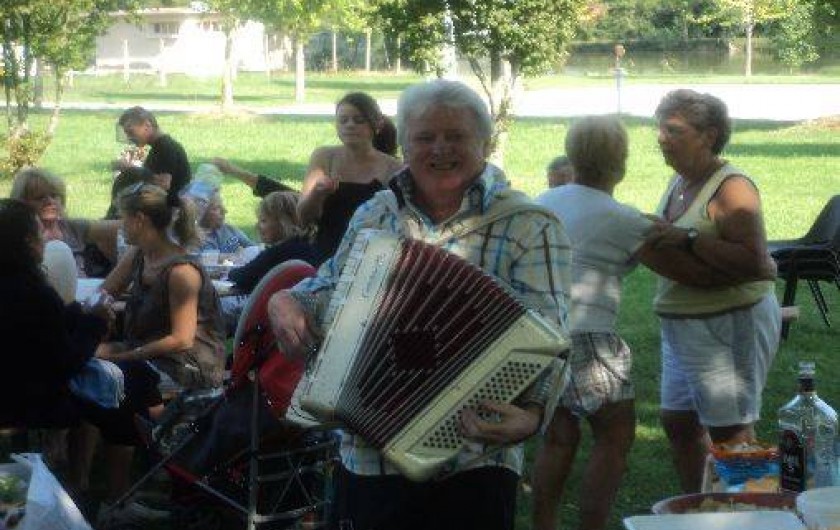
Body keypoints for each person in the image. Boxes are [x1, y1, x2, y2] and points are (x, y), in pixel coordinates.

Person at [267, 79, 571, 530]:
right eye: (425, 137)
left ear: (483, 142)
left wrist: (532, 415)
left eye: (456, 136)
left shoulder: (529, 226)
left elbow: (553, 339)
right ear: (404, 144)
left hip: (472, 459)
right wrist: (286, 301)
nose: (440, 149)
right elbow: (329, 289)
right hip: (367, 453)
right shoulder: (375, 214)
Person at [640, 89, 780, 493]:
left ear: (709, 135)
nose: (661, 137)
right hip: (682, 326)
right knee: (679, 422)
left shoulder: (732, 187)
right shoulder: (679, 180)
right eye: (659, 128)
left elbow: (755, 264)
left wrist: (683, 238)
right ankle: (700, 508)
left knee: (732, 433)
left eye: (673, 129)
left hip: (728, 325)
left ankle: (749, 514)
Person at [531, 117, 653, 530]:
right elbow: (655, 255)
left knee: (559, 435)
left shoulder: (543, 200)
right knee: (615, 434)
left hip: (541, 335)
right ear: (620, 162)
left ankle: (543, 521)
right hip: (592, 338)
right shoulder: (626, 219)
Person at [86, 183, 226, 513]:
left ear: (140, 220)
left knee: (119, 382)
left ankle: (121, 495)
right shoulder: (140, 255)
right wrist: (92, 315)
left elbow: (182, 338)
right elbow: (105, 292)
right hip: (149, 353)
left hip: (188, 364)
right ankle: (95, 477)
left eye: (123, 219)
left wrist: (120, 354)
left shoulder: (181, 272)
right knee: (89, 365)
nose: (120, 227)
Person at [215, 92, 403, 263]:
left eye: (358, 120)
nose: (350, 125)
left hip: (371, 258)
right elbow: (303, 218)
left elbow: (401, 223)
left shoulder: (393, 168)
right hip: (326, 253)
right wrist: (318, 194)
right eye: (343, 120)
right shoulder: (324, 157)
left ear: (377, 124)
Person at [0, 199, 109, 429]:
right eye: (41, 233)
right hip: (23, 403)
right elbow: (65, 362)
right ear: (29, 243)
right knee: (117, 394)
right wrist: (96, 323)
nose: (46, 239)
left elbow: (42, 329)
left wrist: (77, 312)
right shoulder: (34, 293)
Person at [219, 191, 318, 334]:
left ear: (283, 223)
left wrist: (231, 271)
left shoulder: (277, 253)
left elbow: (241, 278)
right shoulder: (308, 248)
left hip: (270, 323)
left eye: (264, 221)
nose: (258, 226)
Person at [9, 167, 121, 277]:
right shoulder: (18, 237)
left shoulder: (72, 227)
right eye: (40, 198)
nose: (50, 201)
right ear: (22, 204)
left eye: (54, 195)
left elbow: (125, 226)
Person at [116, 106, 191, 204]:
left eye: (131, 132)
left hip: (167, 208)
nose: (130, 137)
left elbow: (163, 185)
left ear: (147, 125)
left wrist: (131, 169)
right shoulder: (159, 146)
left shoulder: (165, 147)